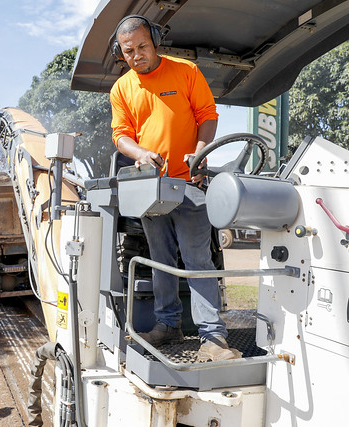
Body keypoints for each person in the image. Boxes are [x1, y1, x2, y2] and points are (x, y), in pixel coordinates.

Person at [109, 15, 240, 361]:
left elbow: (207, 114)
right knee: (160, 259)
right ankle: (167, 325)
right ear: (120, 53)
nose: (136, 55)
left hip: (190, 182)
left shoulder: (185, 71)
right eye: (128, 51)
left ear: (154, 40)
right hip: (152, 188)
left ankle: (213, 338)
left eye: (142, 47)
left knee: (197, 258)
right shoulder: (121, 89)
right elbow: (121, 135)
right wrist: (139, 153)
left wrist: (200, 152)